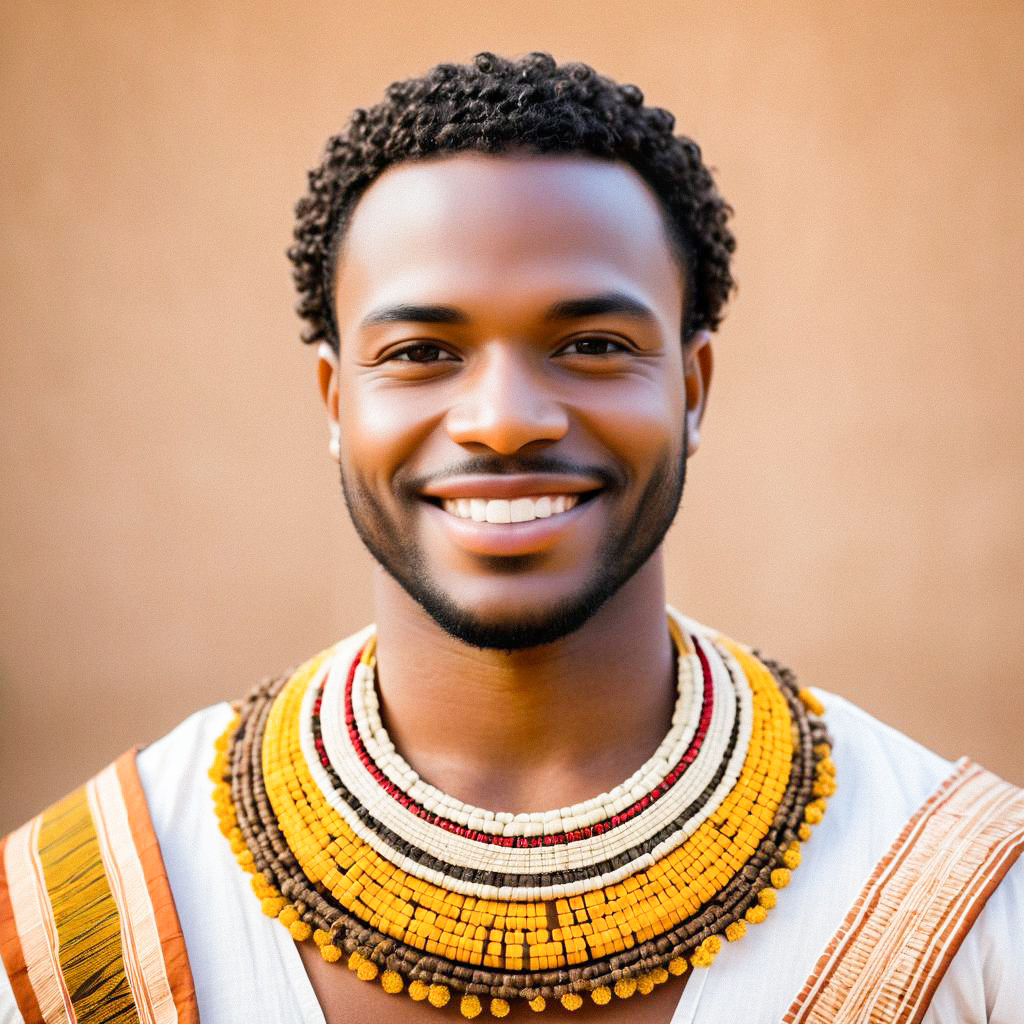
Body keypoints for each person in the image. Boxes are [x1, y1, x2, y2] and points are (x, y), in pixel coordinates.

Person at [1, 51, 1021, 1024]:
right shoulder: (84, 920)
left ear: (693, 388)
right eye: (421, 351)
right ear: (334, 398)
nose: (502, 418)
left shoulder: (962, 895)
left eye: (590, 345)